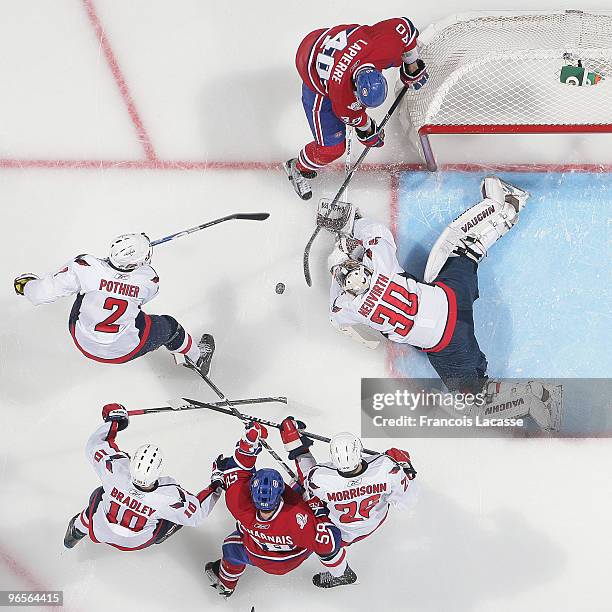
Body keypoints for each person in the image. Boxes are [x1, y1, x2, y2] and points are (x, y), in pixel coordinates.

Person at [327, 176, 561, 431]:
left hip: (450, 343)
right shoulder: (382, 268)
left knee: (473, 398)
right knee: (464, 250)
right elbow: (377, 234)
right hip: (452, 296)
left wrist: (336, 265)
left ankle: (535, 396)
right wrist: (353, 225)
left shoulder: (350, 306)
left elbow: (335, 312)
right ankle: (507, 207)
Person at [13, 233, 214, 374]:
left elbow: (40, 294)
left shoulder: (84, 266)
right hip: (124, 350)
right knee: (170, 326)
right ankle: (197, 359)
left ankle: (195, 358)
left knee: (83, 292)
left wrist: (28, 286)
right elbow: (142, 297)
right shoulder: (149, 280)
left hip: (83, 340)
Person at [284, 17, 428, 200]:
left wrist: (412, 65)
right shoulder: (341, 96)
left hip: (327, 42)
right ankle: (297, 167)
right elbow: (361, 123)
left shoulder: (383, 45)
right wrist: (369, 133)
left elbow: (405, 28)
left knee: (394, 56)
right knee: (332, 149)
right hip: (312, 71)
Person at [205, 422, 354, 597]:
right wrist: (318, 510)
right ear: (280, 493)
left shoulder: (238, 503)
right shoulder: (298, 517)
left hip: (259, 555)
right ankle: (341, 574)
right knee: (307, 487)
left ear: (251, 493)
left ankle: (226, 584)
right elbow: (329, 545)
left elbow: (238, 468)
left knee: (230, 548)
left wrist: (249, 441)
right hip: (292, 558)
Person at [64, 403, 221, 551]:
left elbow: (94, 446)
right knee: (175, 517)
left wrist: (113, 423)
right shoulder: (169, 496)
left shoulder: (114, 471)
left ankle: (77, 529)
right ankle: (161, 537)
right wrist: (217, 483)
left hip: (100, 530)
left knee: (100, 494)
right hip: (137, 541)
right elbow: (197, 515)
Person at [279, 419, 417, 550]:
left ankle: (337, 567)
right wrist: (403, 468)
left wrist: (295, 445)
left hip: (338, 533)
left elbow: (306, 475)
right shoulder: (387, 468)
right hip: (372, 523)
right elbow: (407, 503)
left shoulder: (320, 478)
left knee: (297, 490)